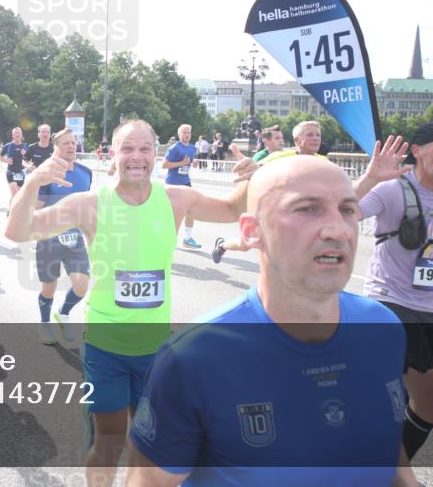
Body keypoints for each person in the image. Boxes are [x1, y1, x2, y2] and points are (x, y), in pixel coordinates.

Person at [126, 156, 416, 487]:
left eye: (348, 210)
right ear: (252, 231)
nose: (338, 229)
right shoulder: (193, 358)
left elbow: (390, 448)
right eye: (307, 209)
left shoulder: (384, 328)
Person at [5, 119, 256, 487]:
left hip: (156, 349)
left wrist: (253, 175)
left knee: (149, 447)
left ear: (155, 154)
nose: (136, 157)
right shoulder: (89, 204)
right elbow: (18, 231)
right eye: (127, 149)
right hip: (106, 347)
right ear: (113, 154)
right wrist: (32, 183)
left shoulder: (175, 198)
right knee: (108, 443)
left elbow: (233, 210)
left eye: (144, 149)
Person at [353, 122, 433, 460]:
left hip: (431, 304)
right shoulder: (391, 190)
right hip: (389, 301)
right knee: (418, 394)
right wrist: (370, 179)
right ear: (417, 151)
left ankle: (388, 464)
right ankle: (390, 472)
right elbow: (342, 214)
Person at [34, 129, 93, 345]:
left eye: (74, 142)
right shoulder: (46, 174)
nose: (71, 146)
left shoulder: (86, 173)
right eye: (66, 143)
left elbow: (85, 208)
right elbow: (36, 208)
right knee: (48, 289)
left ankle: (63, 312)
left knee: (81, 286)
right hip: (49, 239)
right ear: (55, 147)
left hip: (74, 239)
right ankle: (44, 324)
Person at [209, 124, 289, 263]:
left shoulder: (287, 156)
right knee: (245, 245)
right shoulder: (260, 156)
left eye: (282, 137)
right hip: (258, 205)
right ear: (266, 141)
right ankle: (222, 246)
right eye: (277, 138)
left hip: (278, 205)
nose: (281, 141)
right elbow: (248, 178)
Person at [163, 124, 201, 249]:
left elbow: (189, 163)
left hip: (186, 182)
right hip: (173, 183)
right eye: (184, 132)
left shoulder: (192, 148)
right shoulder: (174, 148)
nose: (187, 134)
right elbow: (164, 165)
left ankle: (187, 238)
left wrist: (193, 163)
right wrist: (182, 163)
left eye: (189, 132)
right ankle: (167, 238)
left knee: (191, 210)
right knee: (171, 214)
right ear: (179, 134)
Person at [0, 126, 29, 202]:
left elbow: (29, 161)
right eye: (15, 133)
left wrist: (25, 154)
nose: (17, 134)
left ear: (21, 135)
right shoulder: (8, 145)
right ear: (13, 135)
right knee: (14, 193)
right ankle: (10, 212)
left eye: (19, 133)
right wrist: (6, 161)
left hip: (21, 172)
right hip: (11, 172)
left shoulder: (25, 146)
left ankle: (16, 212)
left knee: (19, 195)